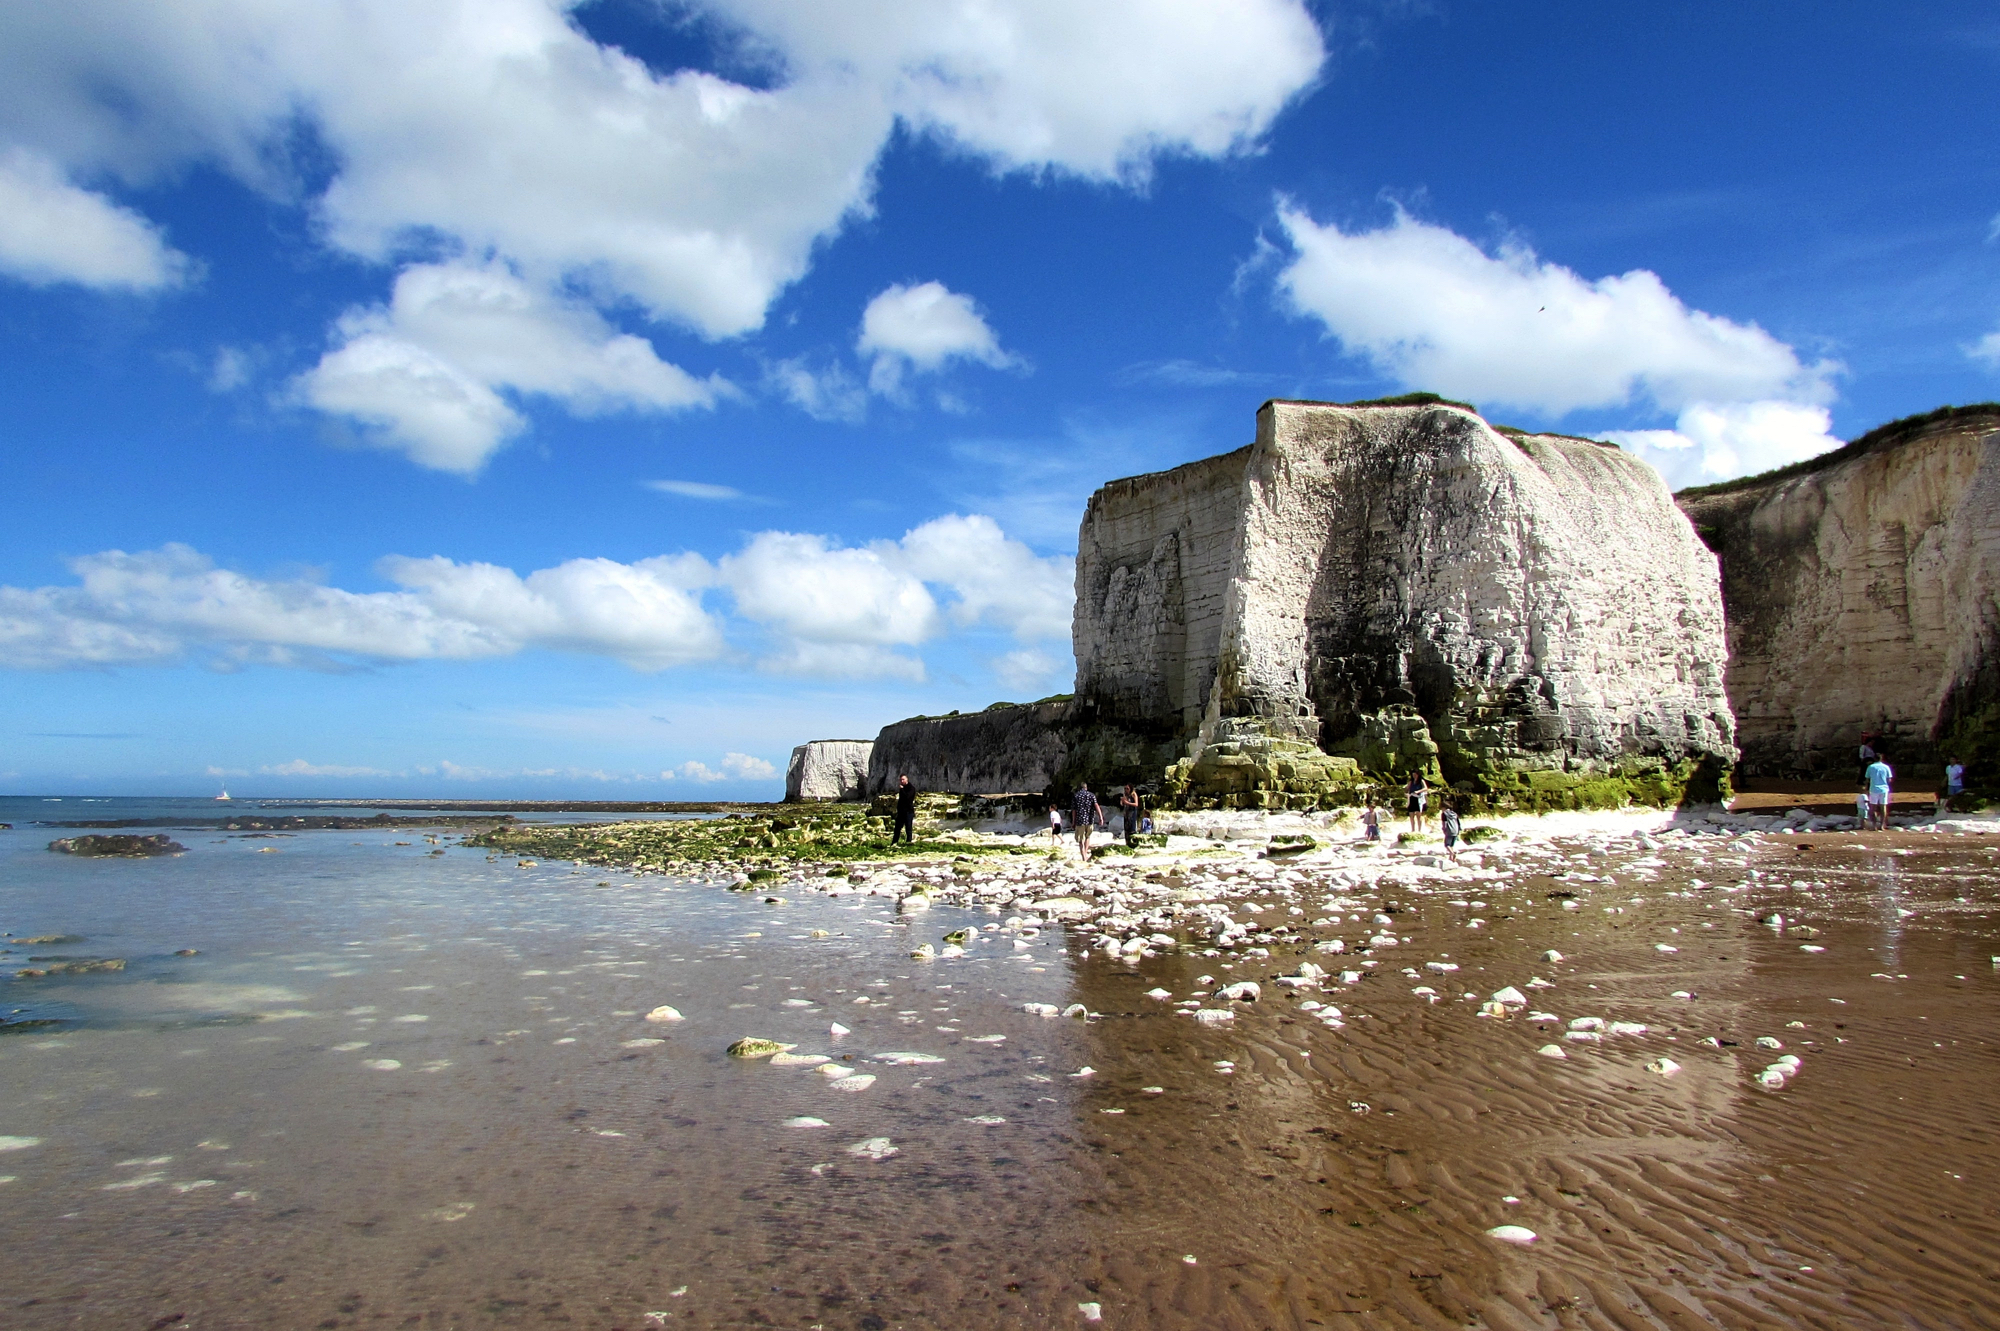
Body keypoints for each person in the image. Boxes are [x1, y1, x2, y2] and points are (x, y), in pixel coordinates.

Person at [1071, 783, 1106, 859]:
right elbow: (1096, 806)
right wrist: (1101, 817)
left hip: (1080, 821)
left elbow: (1074, 810)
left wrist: (1073, 822)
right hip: (1090, 820)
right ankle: (1086, 853)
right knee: (1087, 837)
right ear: (1086, 788)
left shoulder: (1076, 796)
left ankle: (1083, 856)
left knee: (1080, 840)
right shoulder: (1091, 795)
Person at [1864, 751, 1893, 831]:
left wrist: (1866, 788)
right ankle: (1882, 824)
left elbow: (1867, 779)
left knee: (1873, 807)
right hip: (1884, 789)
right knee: (1883, 806)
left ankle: (1874, 825)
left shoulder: (1871, 767)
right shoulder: (1886, 767)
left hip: (1874, 788)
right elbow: (1889, 779)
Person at [891, 774, 917, 844]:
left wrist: (902, 790)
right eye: (901, 780)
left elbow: (908, 798)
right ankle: (894, 842)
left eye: (903, 779)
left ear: (907, 779)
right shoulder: (902, 788)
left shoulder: (911, 788)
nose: (902, 781)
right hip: (901, 812)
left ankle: (909, 842)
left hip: (908, 811)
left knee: (908, 828)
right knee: (897, 828)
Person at [1406, 770, 1429, 835]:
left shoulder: (1421, 781)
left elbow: (1425, 788)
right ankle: (1413, 829)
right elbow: (1407, 788)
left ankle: (1419, 830)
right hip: (1411, 798)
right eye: (1413, 775)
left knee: (1418, 815)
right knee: (1411, 815)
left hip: (1418, 799)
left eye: (1415, 775)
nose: (1414, 776)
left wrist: (1418, 791)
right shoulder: (1411, 781)